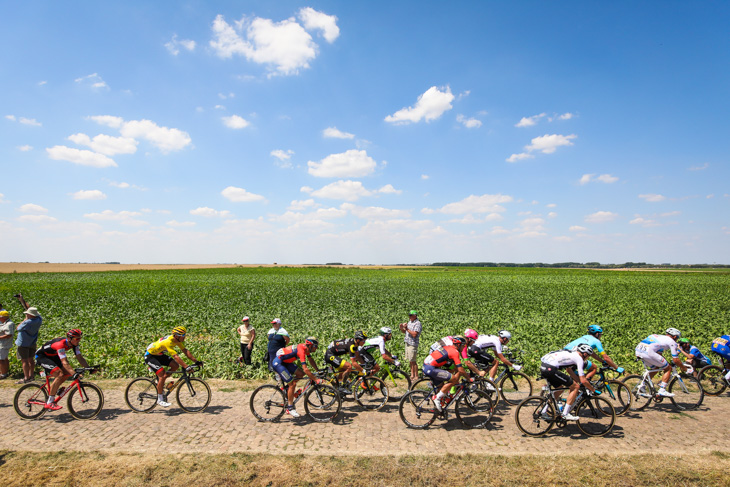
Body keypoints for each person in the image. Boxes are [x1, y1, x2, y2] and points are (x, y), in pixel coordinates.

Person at [144, 326, 201, 407]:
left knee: (175, 366)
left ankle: (160, 384)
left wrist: (196, 361)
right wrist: (186, 366)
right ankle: (159, 400)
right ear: (177, 336)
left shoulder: (177, 340)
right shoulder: (168, 342)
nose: (184, 337)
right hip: (150, 356)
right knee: (162, 375)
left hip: (158, 354)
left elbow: (185, 351)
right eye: (183, 335)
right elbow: (176, 357)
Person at [35, 329, 92, 410]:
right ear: (69, 338)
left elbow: (80, 358)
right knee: (59, 374)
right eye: (77, 339)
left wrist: (89, 368)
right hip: (42, 357)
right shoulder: (60, 344)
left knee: (66, 373)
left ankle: (55, 389)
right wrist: (74, 374)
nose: (78, 340)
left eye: (80, 338)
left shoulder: (75, 344)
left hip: (53, 356)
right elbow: (64, 362)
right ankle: (50, 402)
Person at [540, 343, 599, 421]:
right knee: (575, 387)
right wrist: (593, 390)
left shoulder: (571, 354)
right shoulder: (579, 359)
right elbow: (583, 380)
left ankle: (543, 411)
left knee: (560, 389)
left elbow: (570, 371)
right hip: (551, 369)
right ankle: (565, 414)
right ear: (585, 354)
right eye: (588, 356)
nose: (587, 358)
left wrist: (579, 382)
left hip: (544, 367)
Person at [271, 337, 322, 418]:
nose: (316, 348)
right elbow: (305, 369)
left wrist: (318, 370)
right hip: (279, 363)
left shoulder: (306, 349)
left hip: (286, 362)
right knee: (293, 384)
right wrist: (315, 379)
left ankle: (288, 390)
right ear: (310, 345)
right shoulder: (301, 351)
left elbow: (310, 360)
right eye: (315, 346)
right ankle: (290, 408)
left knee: (300, 374)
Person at [635, 328, 689, 397]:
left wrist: (665, 363)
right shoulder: (672, 342)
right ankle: (662, 390)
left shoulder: (657, 336)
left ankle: (642, 386)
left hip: (638, 351)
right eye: (677, 337)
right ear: (675, 336)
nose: (677, 339)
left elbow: (659, 355)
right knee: (668, 368)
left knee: (656, 367)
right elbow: (676, 359)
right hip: (648, 352)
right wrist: (684, 368)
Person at [422, 336, 470, 412]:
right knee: (453, 379)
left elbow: (457, 367)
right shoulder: (455, 352)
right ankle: (436, 398)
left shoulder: (448, 347)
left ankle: (438, 410)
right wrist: (468, 378)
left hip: (427, 366)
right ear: (458, 345)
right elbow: (460, 369)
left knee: (441, 388)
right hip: (431, 368)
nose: (464, 347)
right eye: (463, 345)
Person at [14, 294, 42, 384]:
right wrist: (22, 300)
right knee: (31, 360)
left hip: (23, 344)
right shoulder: (39, 319)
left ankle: (26, 377)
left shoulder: (27, 322)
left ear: (29, 315)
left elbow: (18, 328)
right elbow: (28, 308)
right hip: (32, 342)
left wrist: (25, 319)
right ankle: (32, 376)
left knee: (24, 360)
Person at [400, 310, 422, 382]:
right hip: (407, 343)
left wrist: (406, 328)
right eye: (409, 315)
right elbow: (405, 332)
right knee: (410, 360)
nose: (409, 317)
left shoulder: (418, 323)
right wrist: (402, 328)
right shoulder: (410, 322)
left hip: (413, 343)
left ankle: (416, 376)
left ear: (414, 316)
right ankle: (412, 375)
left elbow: (414, 334)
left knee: (413, 360)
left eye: (410, 315)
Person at [0, 310, 15, 379]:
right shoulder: (4, 323)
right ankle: (4, 372)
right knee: (5, 358)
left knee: (1, 359)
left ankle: (3, 374)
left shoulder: (9, 324)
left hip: (4, 344)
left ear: (3, 317)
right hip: (2, 343)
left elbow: (9, 335)